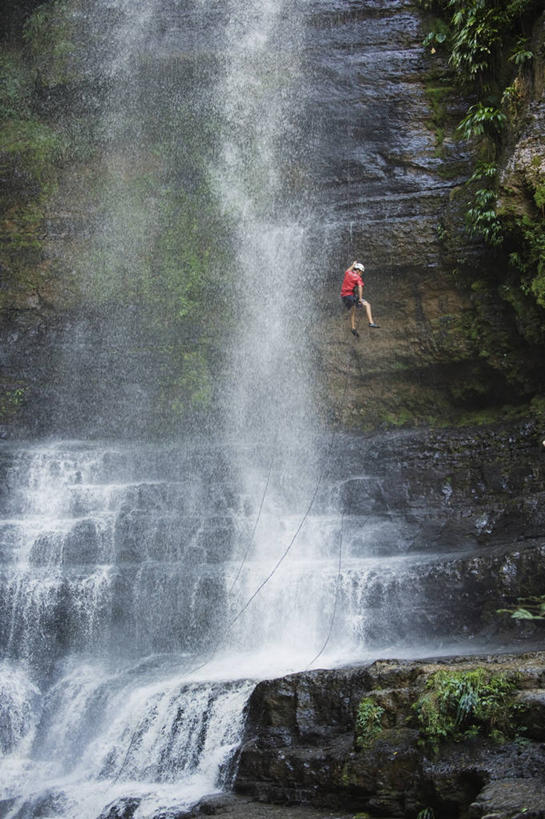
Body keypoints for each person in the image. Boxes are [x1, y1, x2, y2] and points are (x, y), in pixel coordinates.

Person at [340, 261, 379, 337]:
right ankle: (371, 322)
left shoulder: (348, 273)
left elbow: (347, 270)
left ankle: (353, 328)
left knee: (353, 310)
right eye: (361, 272)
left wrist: (353, 265)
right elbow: (360, 287)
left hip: (344, 296)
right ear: (358, 271)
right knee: (367, 305)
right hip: (350, 296)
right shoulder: (357, 277)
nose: (361, 274)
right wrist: (360, 299)